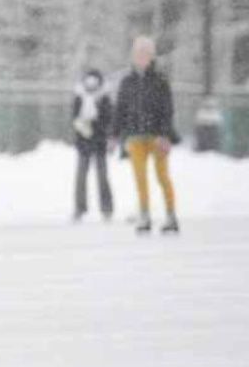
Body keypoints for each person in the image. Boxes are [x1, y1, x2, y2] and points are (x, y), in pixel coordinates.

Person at [112, 36, 180, 234]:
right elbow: (120, 110)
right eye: (138, 53)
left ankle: (171, 215)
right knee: (140, 178)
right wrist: (114, 134)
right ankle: (144, 215)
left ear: (152, 56)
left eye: (145, 54)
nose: (141, 57)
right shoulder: (127, 82)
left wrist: (164, 134)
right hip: (135, 136)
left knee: (162, 176)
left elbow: (167, 110)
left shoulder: (160, 81)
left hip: (157, 136)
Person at [71, 69, 114, 221]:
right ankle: (79, 208)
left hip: (100, 142)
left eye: (94, 82)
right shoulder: (79, 97)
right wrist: (82, 126)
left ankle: (106, 208)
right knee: (81, 176)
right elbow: (75, 117)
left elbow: (109, 119)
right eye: (88, 82)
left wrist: (100, 129)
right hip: (83, 142)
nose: (91, 85)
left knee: (102, 176)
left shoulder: (104, 98)